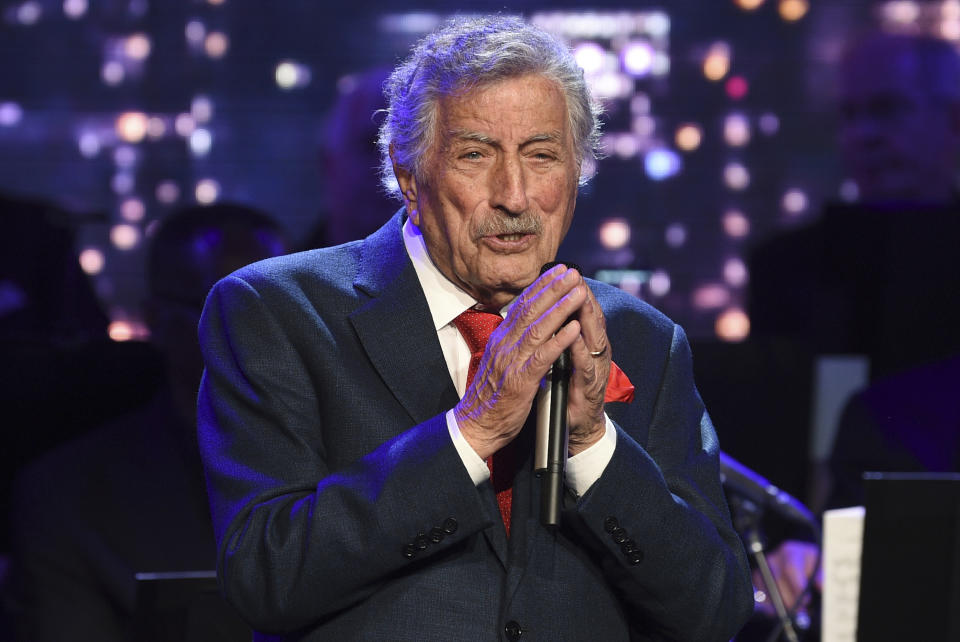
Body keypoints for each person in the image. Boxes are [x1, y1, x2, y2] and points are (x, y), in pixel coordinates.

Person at [198, 15, 753, 641]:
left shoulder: (644, 339)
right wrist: (476, 428)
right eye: (474, 155)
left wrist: (593, 442)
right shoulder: (278, 311)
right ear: (409, 176)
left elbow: (715, 611)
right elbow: (264, 577)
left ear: (575, 176)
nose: (514, 196)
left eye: (541, 156)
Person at [745, 31, 960, 637]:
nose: (864, 135)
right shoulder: (785, 267)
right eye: (851, 115)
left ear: (953, 120)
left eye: (888, 109)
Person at [7, 203, 286, 641]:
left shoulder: (368, 457)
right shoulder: (69, 498)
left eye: (288, 309)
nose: (268, 337)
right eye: (229, 308)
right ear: (157, 320)